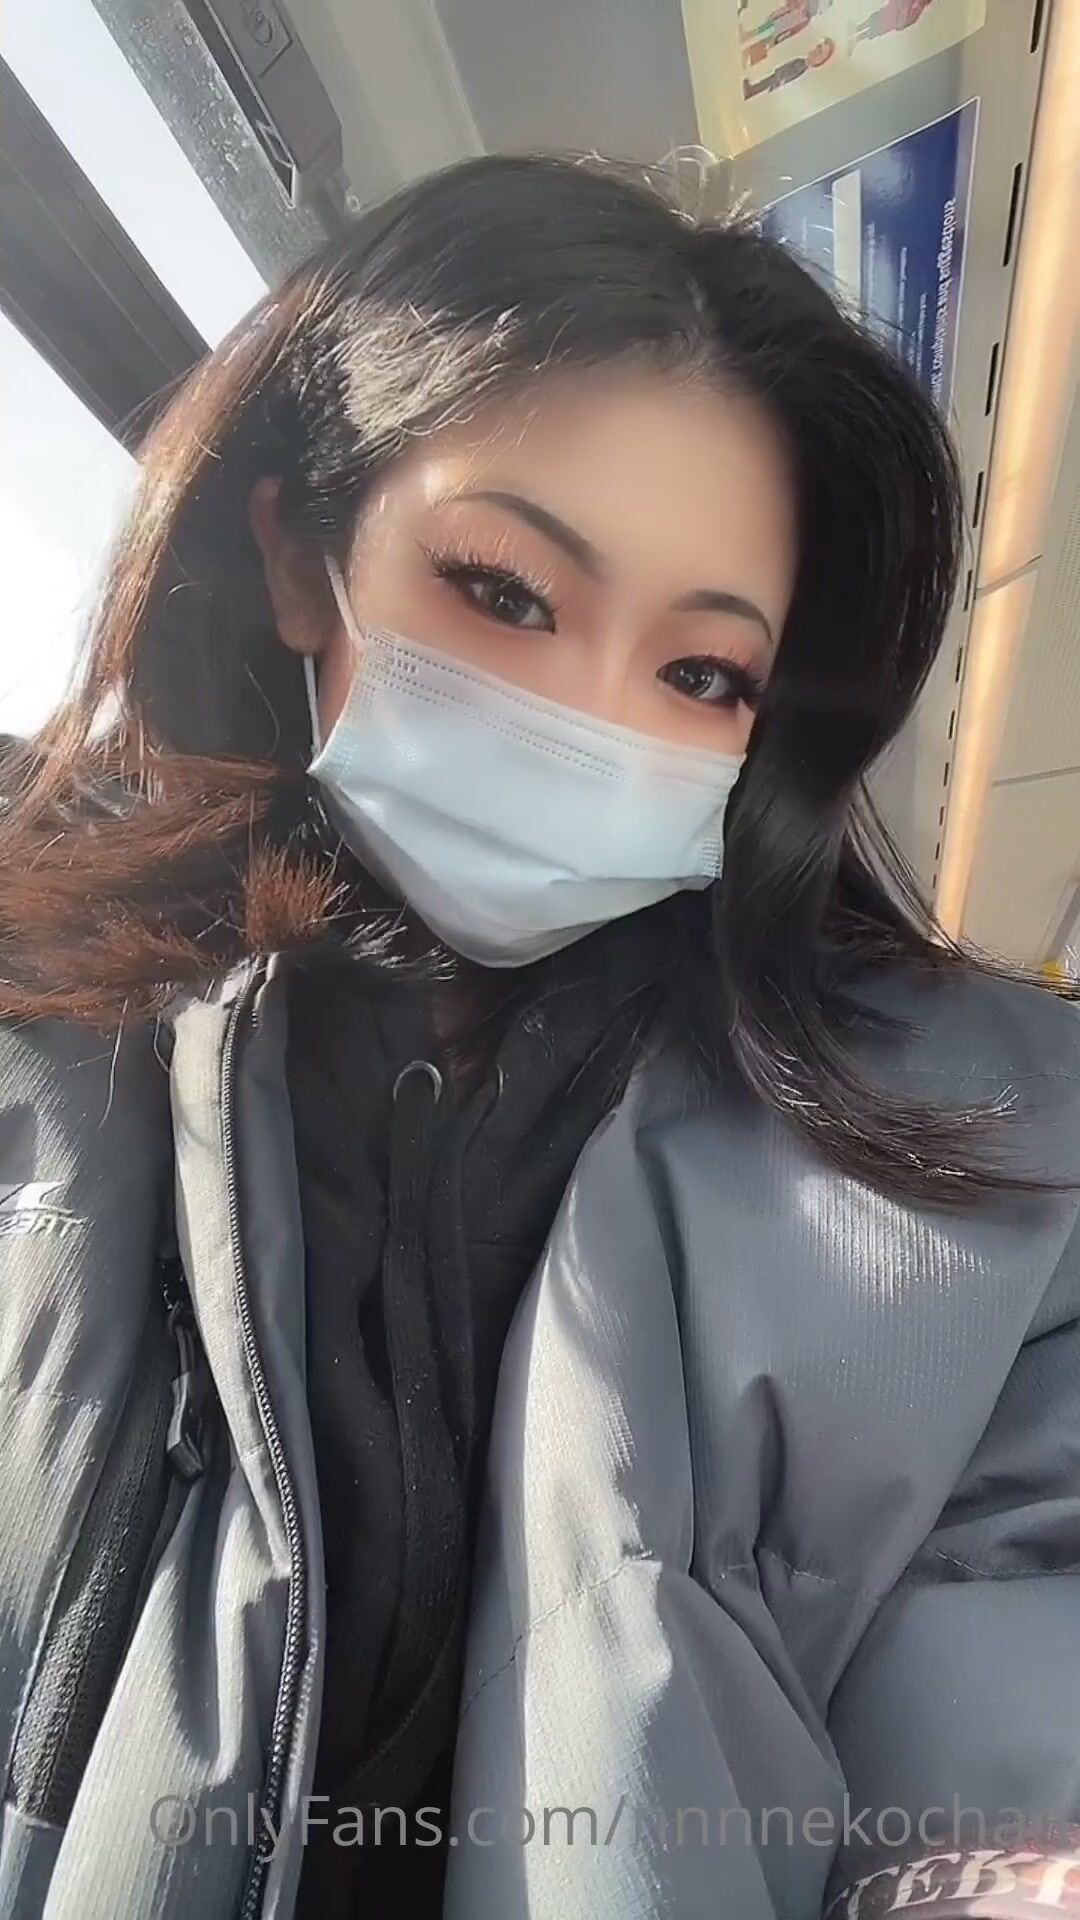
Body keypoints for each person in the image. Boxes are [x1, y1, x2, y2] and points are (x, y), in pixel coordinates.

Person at [0, 153, 1077, 1920]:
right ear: (298, 554)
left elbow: (1021, 1633)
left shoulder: (995, 1159)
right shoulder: (41, 1036)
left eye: (703, 675)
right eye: (502, 591)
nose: (590, 715)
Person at [743, 35, 837, 96]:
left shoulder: (802, 66)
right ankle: (752, 90)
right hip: (780, 75)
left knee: (765, 84)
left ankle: (751, 91)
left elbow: (791, 74)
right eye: (818, 46)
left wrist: (782, 79)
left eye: (819, 49)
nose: (815, 49)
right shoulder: (802, 61)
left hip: (780, 77)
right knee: (764, 83)